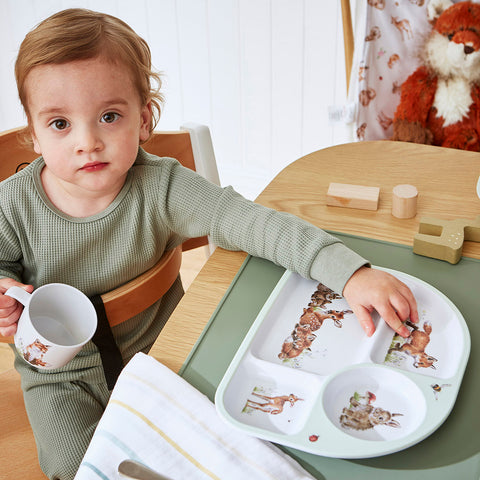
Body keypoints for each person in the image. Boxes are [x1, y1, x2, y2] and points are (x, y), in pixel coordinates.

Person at [0, 8, 418, 480]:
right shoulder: (11, 204)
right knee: (78, 470)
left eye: (109, 116)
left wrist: (351, 273)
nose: (88, 142)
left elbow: (252, 222)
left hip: (169, 348)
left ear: (144, 120)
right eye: (60, 124)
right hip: (61, 376)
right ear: (32, 135)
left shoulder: (163, 187)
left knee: (238, 440)